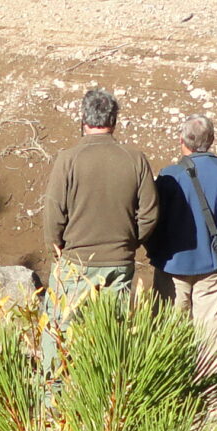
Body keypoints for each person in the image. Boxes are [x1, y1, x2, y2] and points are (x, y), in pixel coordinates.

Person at [150, 114, 217, 371]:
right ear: (211, 140)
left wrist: (154, 249)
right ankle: (214, 403)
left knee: (167, 331)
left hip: (172, 266)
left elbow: (152, 220)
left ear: (181, 140)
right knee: (212, 335)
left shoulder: (169, 176)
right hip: (213, 267)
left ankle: (169, 393)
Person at [42, 88, 158, 299]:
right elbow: (149, 213)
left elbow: (53, 213)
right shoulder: (135, 159)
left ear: (84, 119)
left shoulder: (67, 159)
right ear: (114, 120)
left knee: (64, 327)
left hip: (75, 261)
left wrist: (56, 250)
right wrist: (129, 241)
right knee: (111, 328)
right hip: (119, 261)